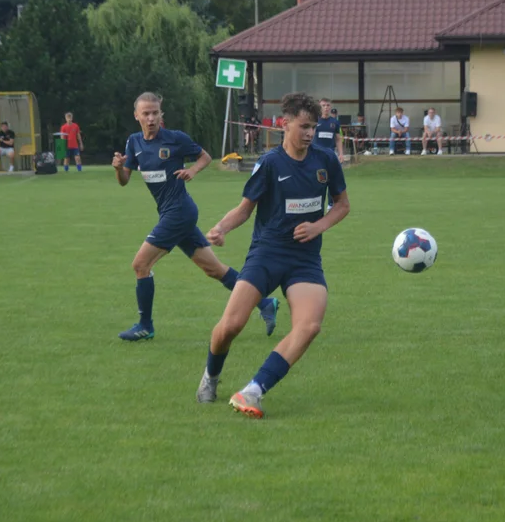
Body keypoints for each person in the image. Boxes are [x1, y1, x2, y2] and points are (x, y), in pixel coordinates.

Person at [197, 91, 350, 419]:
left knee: (308, 326)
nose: (310, 133)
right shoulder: (269, 164)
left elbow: (342, 205)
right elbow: (244, 209)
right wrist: (221, 228)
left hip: (305, 260)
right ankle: (210, 376)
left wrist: (317, 227)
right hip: (267, 254)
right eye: (304, 126)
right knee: (231, 326)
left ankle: (253, 390)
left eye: (314, 127)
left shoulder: (325, 161)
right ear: (285, 124)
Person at [112, 92, 280, 342]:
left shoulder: (175, 139)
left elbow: (205, 156)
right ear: (136, 116)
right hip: (173, 214)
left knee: (140, 265)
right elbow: (124, 181)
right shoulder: (134, 142)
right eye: (145, 113)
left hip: (179, 213)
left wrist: (192, 170)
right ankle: (265, 303)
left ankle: (145, 326)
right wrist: (118, 168)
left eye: (155, 113)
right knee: (214, 269)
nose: (150, 118)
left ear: (161, 115)